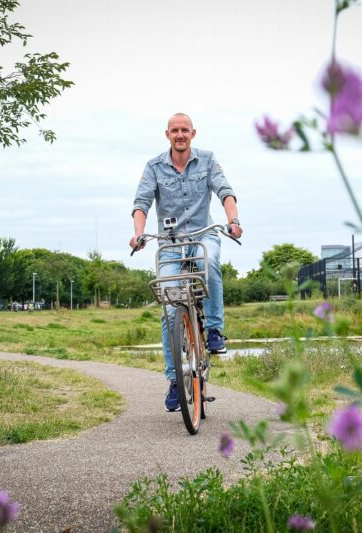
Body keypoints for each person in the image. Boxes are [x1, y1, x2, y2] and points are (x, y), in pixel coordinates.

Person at [130, 113, 243, 412]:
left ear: (193, 133)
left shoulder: (207, 160)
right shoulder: (153, 166)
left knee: (212, 261)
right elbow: (141, 203)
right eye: (174, 130)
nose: (180, 135)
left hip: (202, 235)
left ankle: (215, 331)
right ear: (166, 134)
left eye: (185, 130)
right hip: (169, 244)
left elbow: (225, 191)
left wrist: (233, 220)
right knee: (169, 310)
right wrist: (139, 235)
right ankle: (174, 380)